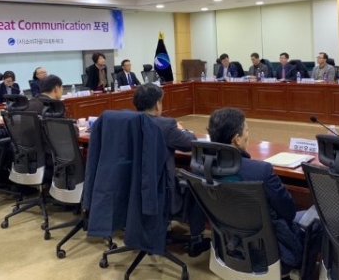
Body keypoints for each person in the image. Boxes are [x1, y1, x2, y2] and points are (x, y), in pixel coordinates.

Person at [207, 107, 310, 268]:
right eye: (247, 130)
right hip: (271, 250)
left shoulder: (202, 168)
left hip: (227, 245)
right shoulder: (261, 171)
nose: (248, 135)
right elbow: (289, 212)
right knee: (315, 219)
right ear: (237, 139)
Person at [132, 83, 209, 257]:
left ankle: (162, 227)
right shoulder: (165, 125)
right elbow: (190, 143)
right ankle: (196, 240)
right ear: (157, 104)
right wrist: (183, 129)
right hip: (161, 193)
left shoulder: (128, 122)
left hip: (135, 189)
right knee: (196, 185)